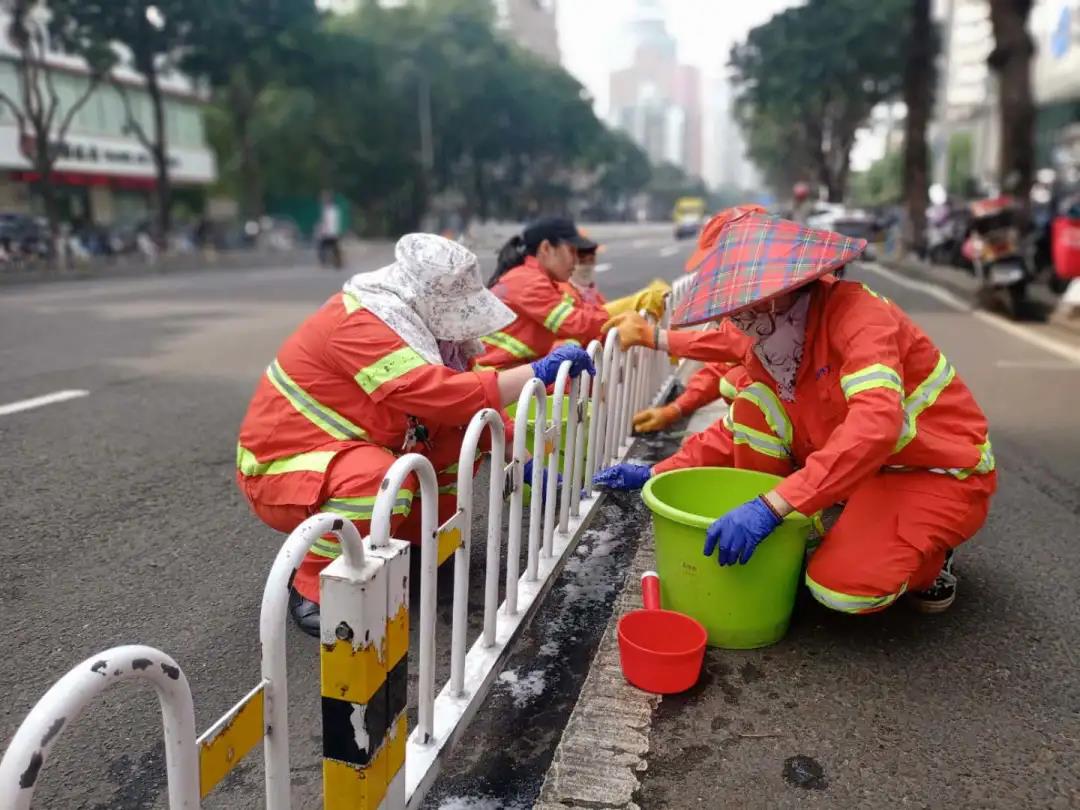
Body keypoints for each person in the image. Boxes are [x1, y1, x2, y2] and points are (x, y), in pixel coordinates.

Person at [595, 207, 996, 615]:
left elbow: (876, 426)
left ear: (784, 285)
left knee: (843, 589)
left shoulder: (860, 319)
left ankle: (933, 558)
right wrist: (658, 471)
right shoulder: (775, 338)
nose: (736, 320)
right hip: (862, 469)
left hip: (933, 468)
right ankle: (828, 518)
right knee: (753, 400)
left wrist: (772, 506)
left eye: (743, 303)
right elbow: (736, 425)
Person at [236, 233, 595, 635]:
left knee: (461, 439)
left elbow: (464, 408)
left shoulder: (412, 322)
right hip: (283, 469)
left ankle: (416, 542)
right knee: (376, 481)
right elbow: (436, 392)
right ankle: (315, 584)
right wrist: (537, 371)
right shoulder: (358, 321)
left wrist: (519, 454)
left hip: (346, 447)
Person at [476, 217, 668, 369]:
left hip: (509, 371)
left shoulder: (538, 279)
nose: (576, 261)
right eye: (572, 251)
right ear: (546, 248)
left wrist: (629, 307)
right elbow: (577, 324)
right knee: (572, 372)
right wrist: (628, 310)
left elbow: (584, 313)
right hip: (497, 374)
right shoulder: (528, 281)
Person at [316, 190, 343, 269]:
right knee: (332, 248)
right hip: (331, 232)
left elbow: (329, 221)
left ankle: (333, 262)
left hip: (330, 232)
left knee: (325, 247)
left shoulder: (330, 209)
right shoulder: (329, 209)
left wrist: (324, 230)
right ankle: (337, 262)